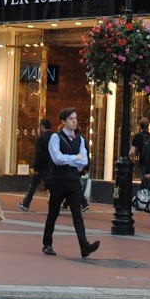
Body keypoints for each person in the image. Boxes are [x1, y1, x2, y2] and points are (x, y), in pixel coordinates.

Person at [42, 108, 100, 259]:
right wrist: (75, 158)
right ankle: (47, 243)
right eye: (71, 119)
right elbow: (57, 159)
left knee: (77, 214)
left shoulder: (80, 139)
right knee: (53, 213)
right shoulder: (56, 137)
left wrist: (71, 159)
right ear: (63, 122)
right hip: (58, 181)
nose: (74, 121)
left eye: (75, 118)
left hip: (74, 180)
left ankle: (84, 246)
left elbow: (84, 161)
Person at [17, 119, 53, 212]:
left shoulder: (40, 139)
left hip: (41, 166)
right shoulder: (54, 137)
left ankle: (26, 204)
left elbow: (38, 154)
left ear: (43, 127)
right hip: (51, 165)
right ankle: (55, 204)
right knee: (52, 186)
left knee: (33, 186)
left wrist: (35, 166)